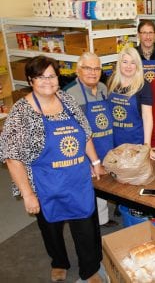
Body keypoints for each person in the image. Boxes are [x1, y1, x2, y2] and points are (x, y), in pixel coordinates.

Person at [0, 56, 104, 282]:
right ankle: (59, 261)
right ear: (30, 80)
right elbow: (12, 157)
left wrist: (95, 162)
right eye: (41, 77)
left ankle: (90, 269)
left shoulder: (66, 100)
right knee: (51, 228)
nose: (48, 81)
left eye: (52, 75)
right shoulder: (21, 112)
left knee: (85, 225)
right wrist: (27, 194)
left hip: (77, 179)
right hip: (45, 183)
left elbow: (85, 133)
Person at [63, 52, 118, 228]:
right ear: (78, 70)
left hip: (105, 144)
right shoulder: (70, 94)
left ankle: (102, 218)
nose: (93, 72)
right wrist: (85, 161)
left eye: (96, 68)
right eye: (87, 68)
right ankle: (93, 222)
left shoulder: (103, 88)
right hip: (86, 150)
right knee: (89, 188)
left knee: (104, 184)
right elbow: (69, 132)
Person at [107, 47, 155, 159]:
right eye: (125, 62)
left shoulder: (144, 85)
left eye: (133, 63)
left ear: (137, 66)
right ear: (119, 64)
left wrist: (147, 146)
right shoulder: (112, 81)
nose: (128, 66)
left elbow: (147, 117)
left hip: (135, 142)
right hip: (113, 141)